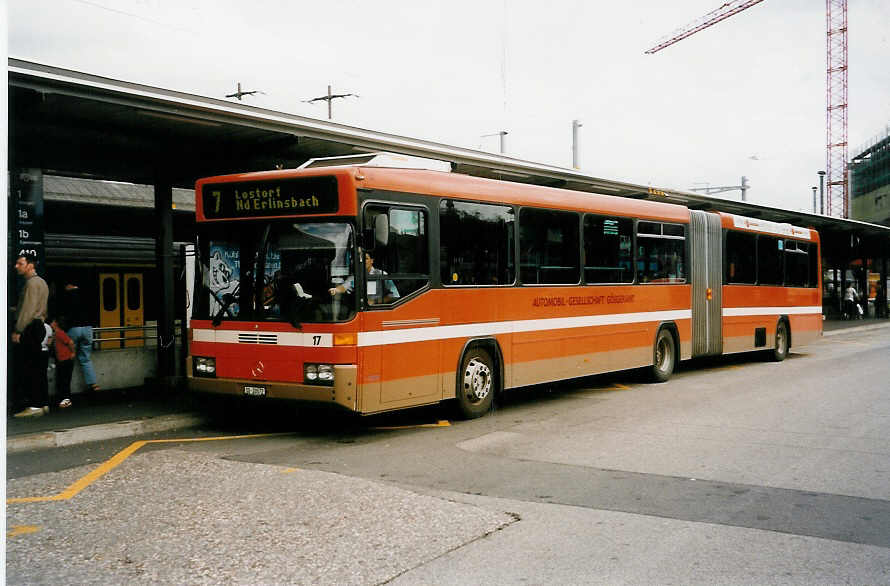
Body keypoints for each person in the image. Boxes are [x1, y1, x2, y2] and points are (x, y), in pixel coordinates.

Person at [11, 253, 50, 417]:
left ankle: (34, 406)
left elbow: (28, 309)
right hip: (38, 326)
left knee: (28, 367)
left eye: (20, 263)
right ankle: (42, 404)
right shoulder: (42, 282)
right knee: (38, 367)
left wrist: (18, 330)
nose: (16, 266)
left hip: (29, 328)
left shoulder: (31, 284)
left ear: (30, 265)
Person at [62, 283, 100, 392]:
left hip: (74, 328)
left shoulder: (68, 296)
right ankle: (93, 384)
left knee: (68, 356)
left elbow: (66, 315)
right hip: (88, 329)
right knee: (85, 358)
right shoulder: (87, 295)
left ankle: (65, 387)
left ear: (69, 285)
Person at [328, 251, 399, 305]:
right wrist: (336, 290)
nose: (363, 261)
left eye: (366, 259)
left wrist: (375, 302)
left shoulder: (381, 274)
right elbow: (345, 286)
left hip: (377, 309)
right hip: (361, 310)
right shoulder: (355, 276)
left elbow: (394, 295)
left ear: (372, 261)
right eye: (361, 259)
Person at [51, 317, 76, 408]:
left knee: (64, 380)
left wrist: (73, 353)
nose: (51, 322)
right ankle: (64, 399)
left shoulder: (59, 333)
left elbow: (70, 342)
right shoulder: (56, 334)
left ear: (56, 324)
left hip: (65, 359)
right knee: (63, 380)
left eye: (53, 321)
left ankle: (66, 400)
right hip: (62, 359)